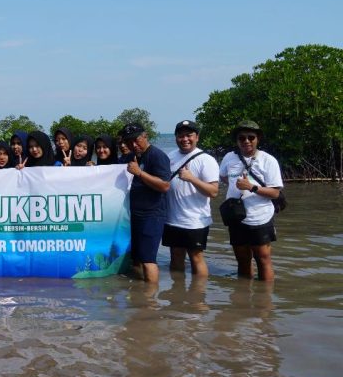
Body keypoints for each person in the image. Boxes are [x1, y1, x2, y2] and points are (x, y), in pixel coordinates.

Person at [219, 120, 283, 281]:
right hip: (236, 217)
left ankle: (265, 301)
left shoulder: (268, 160)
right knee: (242, 260)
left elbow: (275, 193)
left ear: (258, 139)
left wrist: (251, 187)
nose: (246, 141)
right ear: (236, 140)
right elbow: (223, 177)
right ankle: (243, 298)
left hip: (260, 217)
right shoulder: (229, 157)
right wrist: (237, 187)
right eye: (241, 138)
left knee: (263, 259)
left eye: (251, 137)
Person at [163, 120, 219, 277]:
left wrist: (192, 179)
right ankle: (178, 295)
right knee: (175, 256)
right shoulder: (169, 157)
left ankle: (198, 297)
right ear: (176, 138)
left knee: (196, 257)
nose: (185, 139)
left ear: (197, 137)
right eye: (181, 136)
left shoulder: (206, 159)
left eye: (189, 135)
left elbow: (214, 192)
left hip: (195, 220)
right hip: (172, 219)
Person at [121, 122, 171, 283]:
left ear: (145, 136)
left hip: (152, 215)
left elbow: (164, 185)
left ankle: (150, 303)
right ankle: (138, 296)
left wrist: (140, 173)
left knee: (148, 259)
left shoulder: (157, 156)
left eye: (137, 140)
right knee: (135, 257)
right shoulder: (129, 157)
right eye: (129, 142)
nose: (134, 145)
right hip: (132, 215)